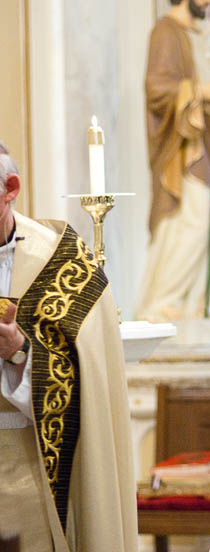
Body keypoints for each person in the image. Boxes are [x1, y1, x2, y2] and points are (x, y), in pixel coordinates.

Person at [0, 143, 137, 551]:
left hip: (30, 471)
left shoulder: (61, 261)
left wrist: (19, 353)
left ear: (11, 188)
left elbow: (86, 384)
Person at [135, 0, 210, 322]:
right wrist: (201, 92)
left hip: (206, 142)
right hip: (184, 147)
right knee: (192, 220)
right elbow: (157, 90)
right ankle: (164, 302)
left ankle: (199, 304)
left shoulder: (199, 35)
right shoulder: (166, 31)